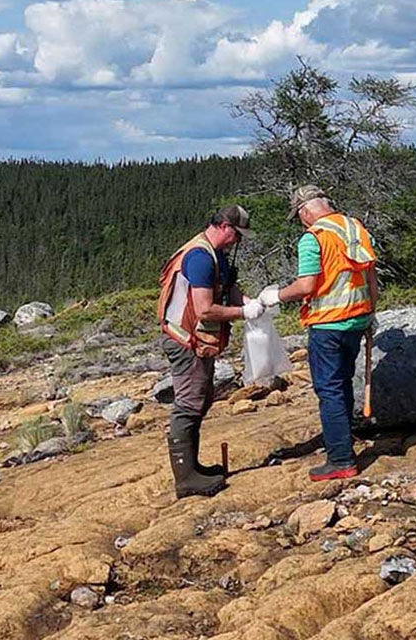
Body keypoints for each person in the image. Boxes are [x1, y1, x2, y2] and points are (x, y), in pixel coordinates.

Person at [257, 186, 377, 481]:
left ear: (305, 211)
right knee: (343, 383)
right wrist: (371, 311)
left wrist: (276, 296)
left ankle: (340, 459)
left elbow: (307, 286)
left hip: (328, 323)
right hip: (357, 320)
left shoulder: (314, 238)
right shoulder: (355, 228)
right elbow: (371, 274)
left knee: (329, 390)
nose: (302, 222)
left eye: (300, 216)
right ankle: (343, 440)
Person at [156, 204, 263, 497]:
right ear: (225, 227)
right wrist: (243, 313)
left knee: (200, 401)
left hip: (194, 341)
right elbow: (204, 310)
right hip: (186, 341)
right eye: (237, 235)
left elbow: (228, 286)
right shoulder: (200, 258)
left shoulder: (217, 256)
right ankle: (186, 478)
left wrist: (251, 301)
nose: (238, 241)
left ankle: (193, 468)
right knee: (189, 404)